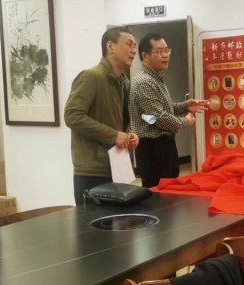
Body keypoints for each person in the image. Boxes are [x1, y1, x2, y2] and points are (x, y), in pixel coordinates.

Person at [64, 27, 139, 205]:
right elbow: (72, 115)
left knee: (121, 221)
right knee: (94, 222)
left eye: (135, 46)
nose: (134, 50)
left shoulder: (124, 82)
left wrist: (130, 134)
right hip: (92, 171)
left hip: (118, 166)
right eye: (129, 44)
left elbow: (121, 120)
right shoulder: (91, 77)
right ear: (110, 46)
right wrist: (113, 135)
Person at [128, 33, 208, 188]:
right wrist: (186, 121)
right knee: (159, 193)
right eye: (159, 51)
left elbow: (164, 109)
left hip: (162, 146)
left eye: (167, 50)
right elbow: (158, 118)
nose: (165, 55)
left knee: (170, 189)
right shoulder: (145, 82)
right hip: (152, 148)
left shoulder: (155, 77)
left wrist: (186, 105)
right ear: (145, 55)